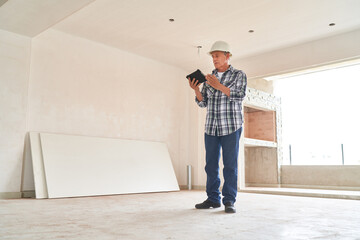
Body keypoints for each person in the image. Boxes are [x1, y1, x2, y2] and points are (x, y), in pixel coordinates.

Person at [188, 41, 247, 213]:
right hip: (211, 127)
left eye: (217, 55)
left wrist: (218, 86)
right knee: (211, 165)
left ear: (227, 56)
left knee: (230, 165)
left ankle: (229, 200)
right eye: (212, 56)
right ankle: (213, 198)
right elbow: (203, 103)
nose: (214, 59)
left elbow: (239, 95)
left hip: (231, 126)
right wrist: (196, 90)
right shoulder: (208, 79)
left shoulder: (238, 74)